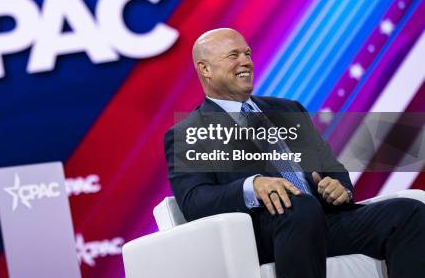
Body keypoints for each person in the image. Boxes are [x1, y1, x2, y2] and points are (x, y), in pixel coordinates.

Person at [164, 28, 425, 278]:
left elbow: (329, 167)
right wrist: (251, 186)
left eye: (248, 54)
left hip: (324, 219)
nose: (246, 61)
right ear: (205, 69)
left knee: (407, 212)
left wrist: (338, 187)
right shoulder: (188, 133)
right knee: (298, 205)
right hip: (266, 232)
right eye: (234, 55)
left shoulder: (288, 109)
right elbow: (194, 200)